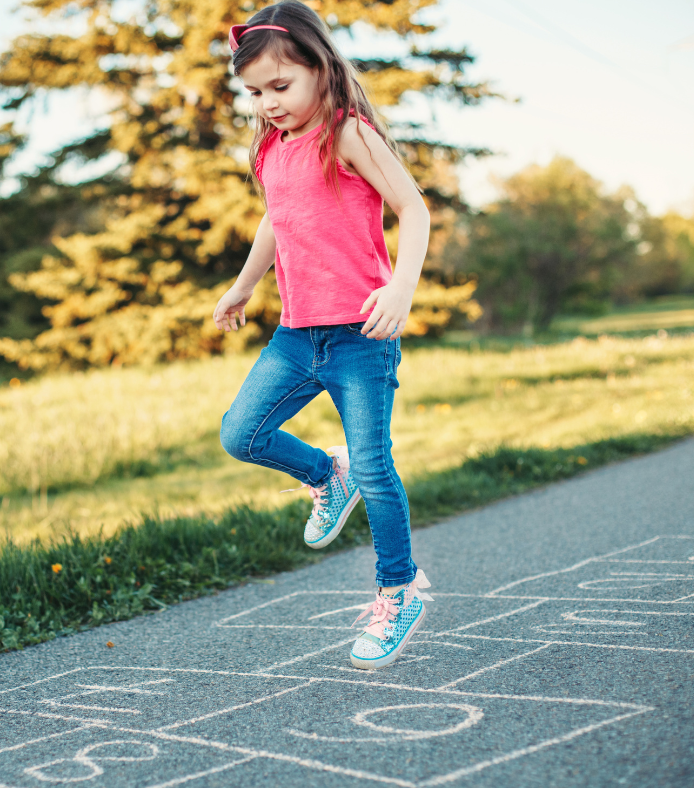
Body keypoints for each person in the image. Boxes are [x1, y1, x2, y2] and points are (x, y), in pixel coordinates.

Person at [214, 0, 433, 670]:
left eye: (281, 87)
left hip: (361, 338)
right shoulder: (271, 151)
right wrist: (246, 283)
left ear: (319, 69)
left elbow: (413, 208)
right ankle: (324, 475)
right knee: (241, 434)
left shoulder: (347, 133)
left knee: (377, 464)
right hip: (296, 335)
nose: (269, 104)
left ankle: (398, 593)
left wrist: (400, 287)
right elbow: (275, 221)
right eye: (255, 93)